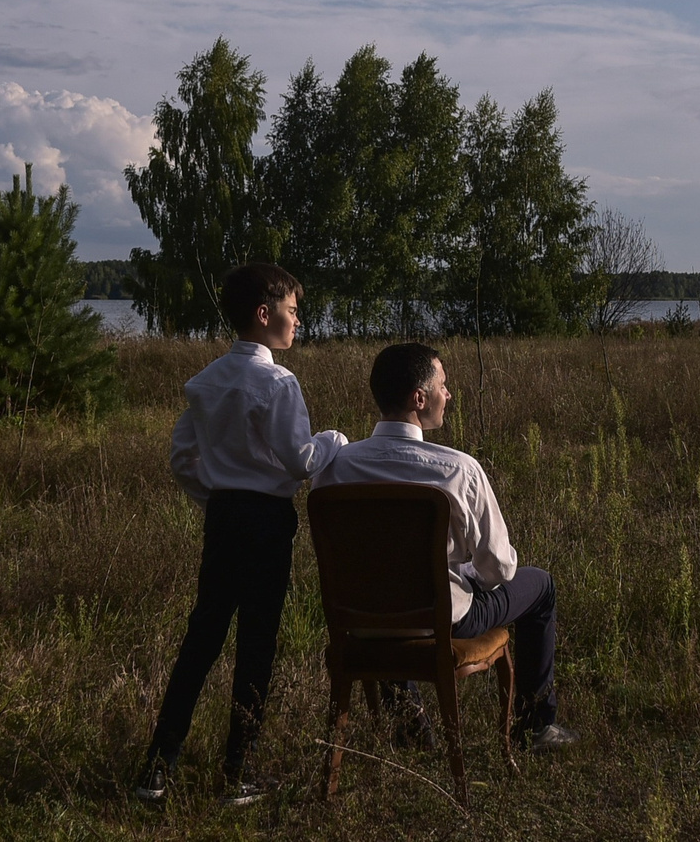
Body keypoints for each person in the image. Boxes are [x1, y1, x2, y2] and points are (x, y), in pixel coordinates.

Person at [134, 264, 350, 808]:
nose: (297, 321)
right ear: (264, 314)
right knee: (257, 641)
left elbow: (182, 458)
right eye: (292, 311)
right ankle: (239, 770)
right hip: (266, 521)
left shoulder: (206, 382)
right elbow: (300, 461)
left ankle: (157, 768)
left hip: (224, 517)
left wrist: (215, 497)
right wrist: (335, 439)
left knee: (202, 638)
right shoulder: (277, 383)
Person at [316, 341, 577, 750]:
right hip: (443, 617)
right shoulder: (458, 469)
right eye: (443, 385)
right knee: (540, 585)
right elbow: (498, 569)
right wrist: (467, 575)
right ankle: (536, 726)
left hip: (363, 618)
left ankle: (411, 730)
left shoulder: (335, 468)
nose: (449, 394)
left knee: (391, 589)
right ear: (419, 399)